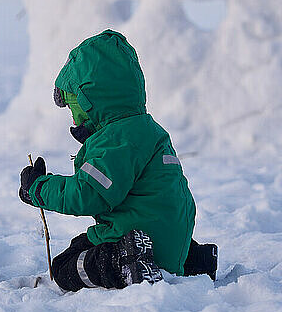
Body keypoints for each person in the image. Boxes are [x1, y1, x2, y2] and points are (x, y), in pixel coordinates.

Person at [19, 30, 217, 292]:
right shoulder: (148, 129)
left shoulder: (116, 140)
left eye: (74, 109)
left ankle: (122, 263)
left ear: (91, 101)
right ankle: (197, 261)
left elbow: (88, 193)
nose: (75, 120)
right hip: (173, 239)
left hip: (139, 234)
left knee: (65, 267)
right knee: (130, 239)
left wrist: (39, 188)